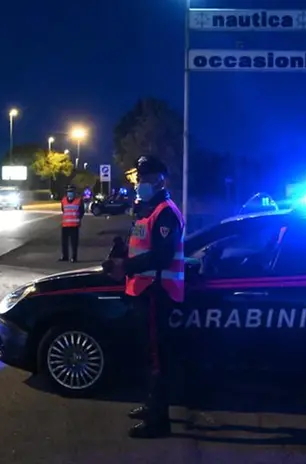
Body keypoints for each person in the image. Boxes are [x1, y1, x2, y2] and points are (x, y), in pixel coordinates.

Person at [102, 156, 185, 439]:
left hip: (158, 293)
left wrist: (127, 266)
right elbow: (140, 246)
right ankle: (151, 405)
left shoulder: (166, 213)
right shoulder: (147, 211)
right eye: (140, 178)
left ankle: (159, 421)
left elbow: (162, 255)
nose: (141, 184)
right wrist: (119, 253)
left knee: (157, 358)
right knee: (148, 356)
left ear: (161, 180)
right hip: (142, 291)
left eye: (147, 179)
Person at [60, 184, 84, 262]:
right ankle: (65, 256)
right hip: (65, 225)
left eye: (71, 191)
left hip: (74, 225)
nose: (70, 193)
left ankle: (74, 257)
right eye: (69, 191)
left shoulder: (79, 200)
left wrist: (77, 218)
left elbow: (81, 212)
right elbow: (63, 210)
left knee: (74, 243)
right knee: (64, 242)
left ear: (74, 192)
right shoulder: (63, 200)